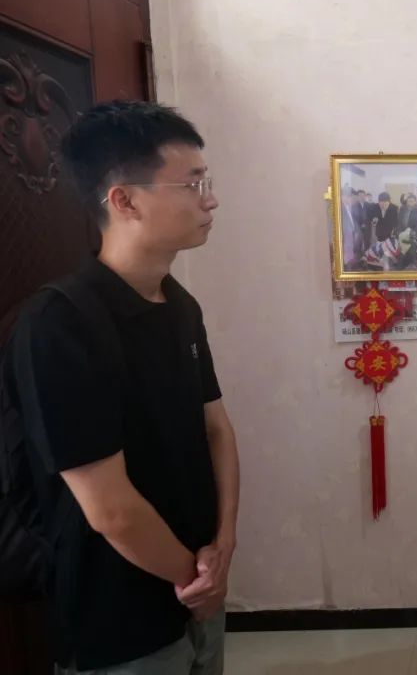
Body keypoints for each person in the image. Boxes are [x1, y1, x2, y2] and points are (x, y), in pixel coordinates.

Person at [1, 101, 239, 673]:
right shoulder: (58, 325)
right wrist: (195, 579)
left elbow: (216, 428)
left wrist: (224, 545)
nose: (210, 199)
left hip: (199, 585)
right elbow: (110, 509)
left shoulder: (179, 305)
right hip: (116, 615)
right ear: (125, 200)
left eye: (206, 181)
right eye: (192, 184)